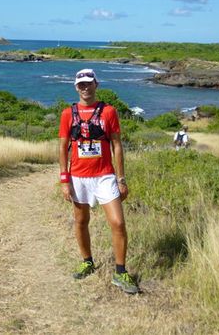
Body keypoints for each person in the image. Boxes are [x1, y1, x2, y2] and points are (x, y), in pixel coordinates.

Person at [58, 68, 139, 294]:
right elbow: (63, 148)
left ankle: (120, 272)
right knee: (81, 221)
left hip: (105, 176)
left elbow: (117, 145)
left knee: (118, 223)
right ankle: (87, 261)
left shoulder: (109, 112)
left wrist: (121, 179)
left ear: (96, 84)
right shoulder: (67, 114)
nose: (85, 87)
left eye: (88, 83)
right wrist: (64, 180)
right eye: (81, 84)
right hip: (78, 177)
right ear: (76, 87)